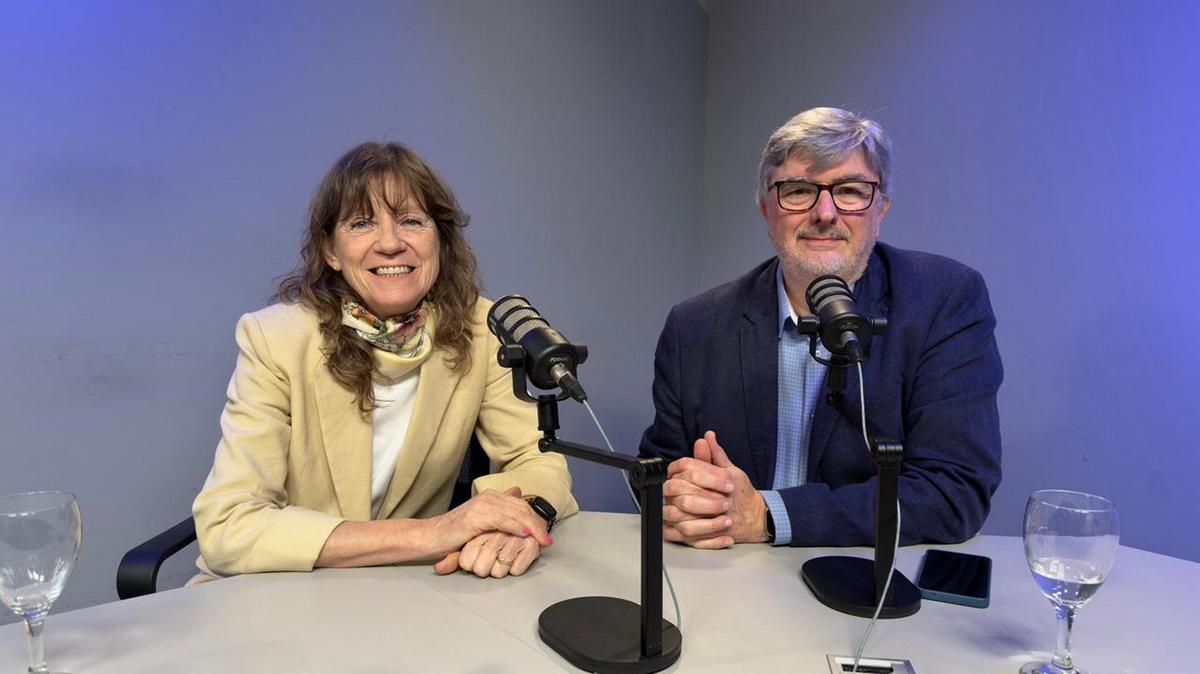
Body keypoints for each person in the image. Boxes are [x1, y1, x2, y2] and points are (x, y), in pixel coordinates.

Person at [193, 142, 577, 580]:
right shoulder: (275, 338)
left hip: (402, 591)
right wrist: (435, 532)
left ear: (440, 241)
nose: (391, 244)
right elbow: (228, 526)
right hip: (277, 585)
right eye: (361, 224)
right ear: (331, 251)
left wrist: (518, 521)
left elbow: (539, 460)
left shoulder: (482, 329)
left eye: (412, 221)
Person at [639, 107, 1002, 548]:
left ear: (881, 207)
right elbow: (654, 475)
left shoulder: (944, 301)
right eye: (797, 191)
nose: (825, 212)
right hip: (725, 576)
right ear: (766, 208)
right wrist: (681, 499)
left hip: (866, 584)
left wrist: (768, 516)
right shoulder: (694, 326)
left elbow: (954, 491)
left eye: (850, 191)